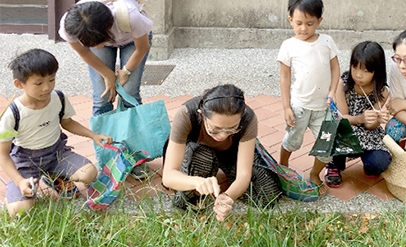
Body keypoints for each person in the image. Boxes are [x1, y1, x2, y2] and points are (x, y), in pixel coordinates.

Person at [0, 49, 112, 217]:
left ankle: (54, 176)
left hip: (56, 153)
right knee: (19, 212)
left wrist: (93, 135)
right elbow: (3, 154)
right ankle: (21, 188)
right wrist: (19, 181)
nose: (47, 88)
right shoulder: (13, 113)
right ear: (19, 84)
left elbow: (67, 122)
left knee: (89, 173)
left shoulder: (58, 98)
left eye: (51, 80)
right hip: (25, 161)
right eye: (38, 83)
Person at [59, 0, 153, 180]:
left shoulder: (130, 15)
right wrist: (108, 75)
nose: (95, 47)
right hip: (98, 34)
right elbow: (85, 52)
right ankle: (108, 158)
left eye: (97, 43)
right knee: (102, 97)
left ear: (109, 27)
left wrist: (125, 72)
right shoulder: (70, 25)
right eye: (89, 43)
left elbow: (143, 47)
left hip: (132, 41)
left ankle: (136, 157)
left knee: (130, 93)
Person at [162, 84, 281, 222]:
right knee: (201, 161)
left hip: (230, 152)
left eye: (232, 129)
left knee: (268, 194)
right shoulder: (186, 114)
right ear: (202, 115)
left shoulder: (248, 118)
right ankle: (192, 195)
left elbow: (244, 175)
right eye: (215, 129)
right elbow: (169, 175)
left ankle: (223, 178)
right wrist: (197, 182)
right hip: (197, 152)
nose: (222, 136)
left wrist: (228, 197)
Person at [277, 0, 340, 188]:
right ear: (290, 20)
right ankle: (283, 166)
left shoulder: (326, 41)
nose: (304, 28)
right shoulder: (288, 45)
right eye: (299, 23)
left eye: (310, 23)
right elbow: (285, 77)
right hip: (300, 106)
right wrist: (286, 107)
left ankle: (314, 173)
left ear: (319, 20)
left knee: (327, 146)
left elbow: (335, 68)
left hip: (324, 107)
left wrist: (332, 91)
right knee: (292, 140)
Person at [324, 41, 392, 188]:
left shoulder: (382, 91)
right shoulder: (343, 83)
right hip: (344, 127)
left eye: (366, 70)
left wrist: (377, 119)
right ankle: (335, 165)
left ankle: (366, 160)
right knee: (334, 129)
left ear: (377, 71)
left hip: (368, 134)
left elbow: (369, 126)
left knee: (379, 163)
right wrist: (360, 118)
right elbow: (342, 117)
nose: (358, 75)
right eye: (355, 67)